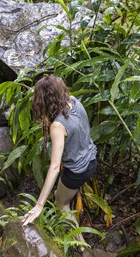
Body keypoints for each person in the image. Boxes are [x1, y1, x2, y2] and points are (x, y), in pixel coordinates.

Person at [22, 74, 97, 227]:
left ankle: (81, 246)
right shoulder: (74, 101)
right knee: (60, 194)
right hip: (91, 159)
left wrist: (39, 205)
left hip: (77, 171)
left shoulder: (57, 126)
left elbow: (55, 167)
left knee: (61, 204)